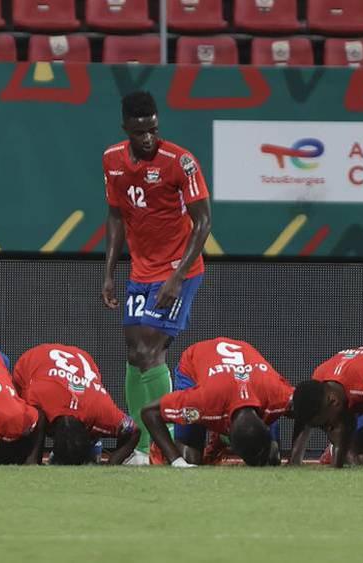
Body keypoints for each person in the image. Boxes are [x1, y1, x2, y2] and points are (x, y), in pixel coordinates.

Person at [101, 91, 212, 465]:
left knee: (151, 350)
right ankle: (139, 440)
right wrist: (109, 274)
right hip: (140, 270)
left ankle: (156, 449)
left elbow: (203, 221)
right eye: (139, 131)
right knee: (134, 353)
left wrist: (178, 277)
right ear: (126, 129)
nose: (148, 138)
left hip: (178, 270)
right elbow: (116, 217)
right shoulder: (112, 161)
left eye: (152, 129)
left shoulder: (180, 161)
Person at [140, 338, 293, 467]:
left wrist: (296, 458)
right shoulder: (202, 402)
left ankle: (220, 439)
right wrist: (176, 460)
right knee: (190, 459)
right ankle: (172, 436)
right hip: (196, 365)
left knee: (272, 458)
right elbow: (149, 412)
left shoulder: (277, 396)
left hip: (250, 380)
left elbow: (310, 404)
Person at [12, 343, 139, 465]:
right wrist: (33, 459)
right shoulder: (34, 396)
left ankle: (90, 448)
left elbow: (133, 430)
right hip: (32, 360)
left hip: (79, 361)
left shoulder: (101, 410)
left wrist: (112, 464)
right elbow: (29, 420)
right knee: (29, 422)